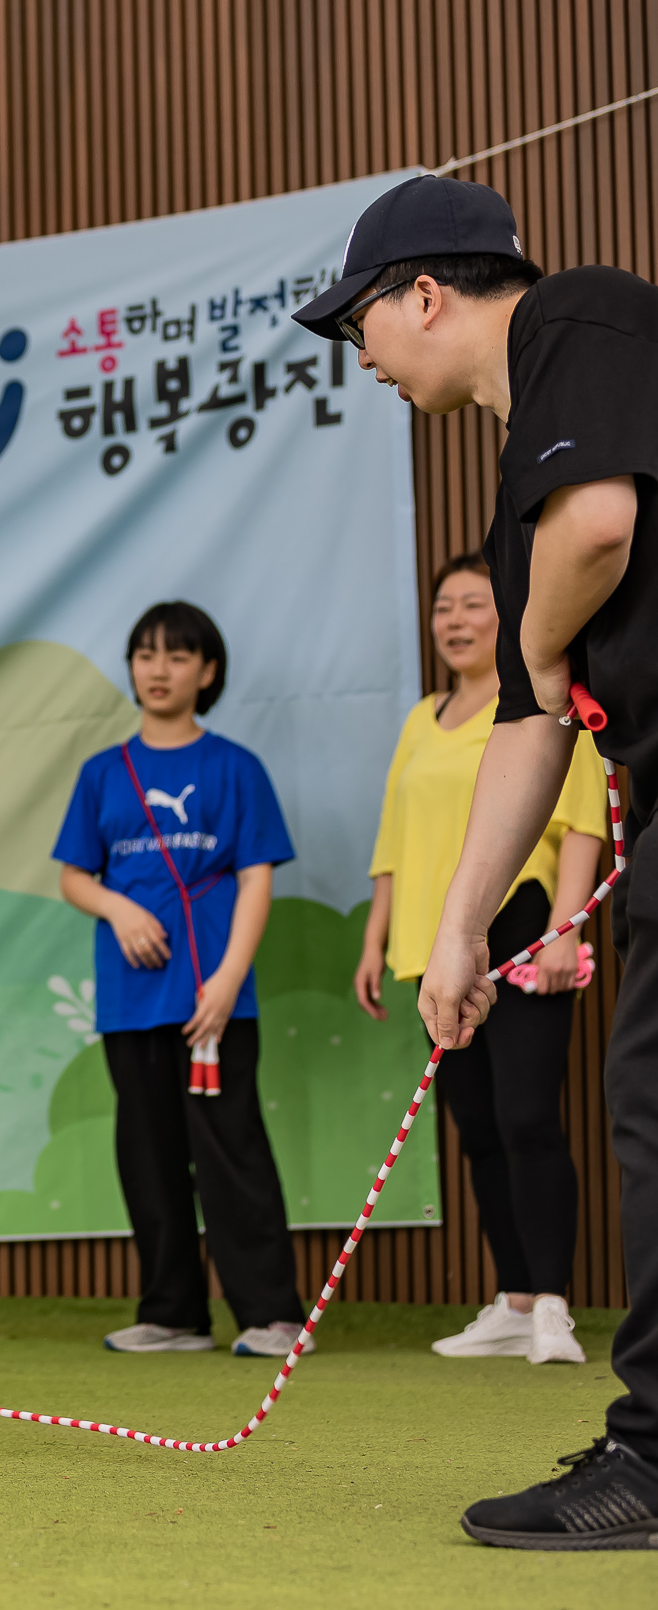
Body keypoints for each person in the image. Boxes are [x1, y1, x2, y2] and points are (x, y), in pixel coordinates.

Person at [298, 172, 658, 1547]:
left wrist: (550, 638)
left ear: (426, 294)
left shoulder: (582, 319)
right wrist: (458, 933)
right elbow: (531, 717)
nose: (370, 360)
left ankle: (654, 1457)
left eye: (363, 327)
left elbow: (599, 529)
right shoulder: (521, 485)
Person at [356, 552, 600, 1366]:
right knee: (480, 1127)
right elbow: (395, 839)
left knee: (529, 1116)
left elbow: (581, 817)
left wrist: (566, 927)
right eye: (444, 607)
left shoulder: (535, 698)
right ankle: (514, 1296)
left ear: (509, 614)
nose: (456, 619)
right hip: (431, 948)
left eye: (474, 604)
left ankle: (553, 1306)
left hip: (522, 929)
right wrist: (378, 938)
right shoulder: (419, 720)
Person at [53, 602, 307, 1357]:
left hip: (214, 998)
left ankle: (273, 1315)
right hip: (132, 999)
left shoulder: (234, 767)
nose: (157, 669)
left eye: (176, 656)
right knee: (149, 1150)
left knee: (232, 1147)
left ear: (208, 671)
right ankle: (173, 1311)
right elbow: (74, 876)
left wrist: (230, 978)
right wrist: (120, 908)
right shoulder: (103, 772)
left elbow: (256, 878)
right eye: (144, 654)